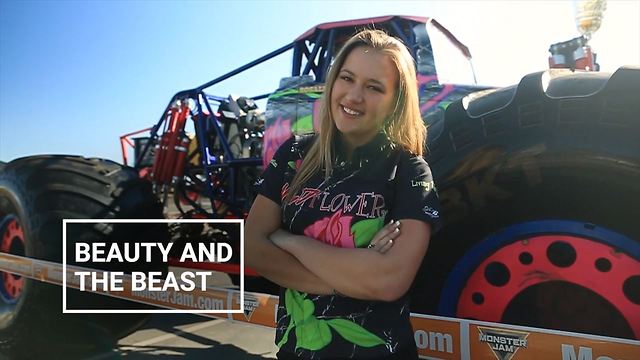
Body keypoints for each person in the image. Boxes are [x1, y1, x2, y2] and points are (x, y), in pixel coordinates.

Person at [245, 29, 442, 359]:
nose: (354, 96)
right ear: (333, 81)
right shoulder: (294, 154)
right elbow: (251, 248)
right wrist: (355, 278)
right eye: (347, 78)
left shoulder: (409, 169)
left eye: (374, 87)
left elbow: (388, 281)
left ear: (396, 101)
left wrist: (289, 240)